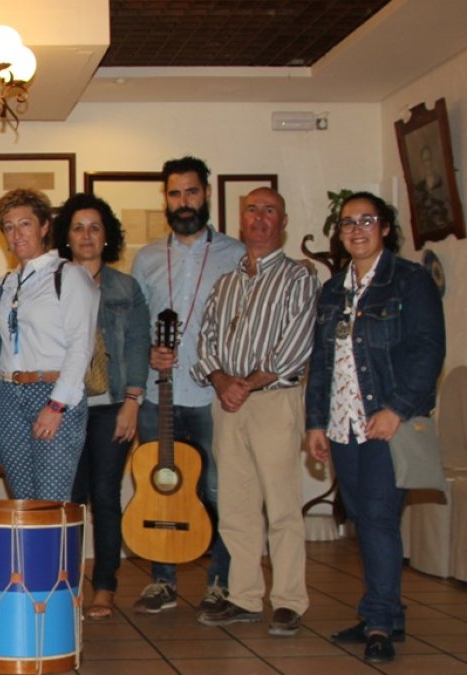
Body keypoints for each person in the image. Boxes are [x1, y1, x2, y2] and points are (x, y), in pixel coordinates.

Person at [305, 192, 445, 664]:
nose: (357, 228)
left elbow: (428, 350)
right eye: (348, 222)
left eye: (367, 220)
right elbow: (322, 362)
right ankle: (383, 612)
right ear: (339, 233)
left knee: (381, 519)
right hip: (343, 425)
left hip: (387, 424)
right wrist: (315, 423)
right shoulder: (332, 290)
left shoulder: (409, 280)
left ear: (385, 226)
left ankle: (380, 622)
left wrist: (397, 409)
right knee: (364, 519)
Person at [189, 188, 318, 635]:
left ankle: (288, 600)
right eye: (252, 210)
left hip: (274, 403)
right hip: (227, 405)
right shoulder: (225, 283)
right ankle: (243, 597)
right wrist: (223, 382)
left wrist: (246, 384)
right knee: (235, 507)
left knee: (281, 506)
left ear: (282, 221)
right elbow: (204, 342)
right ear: (241, 221)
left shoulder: (299, 277)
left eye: (270, 211)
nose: (260, 218)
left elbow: (297, 345)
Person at [130, 156, 243, 615]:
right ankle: (163, 581)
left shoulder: (236, 255)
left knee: (219, 491)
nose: (183, 202)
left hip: (217, 399)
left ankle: (221, 582)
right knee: (161, 486)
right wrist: (147, 355)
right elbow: (135, 327)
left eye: (191, 192)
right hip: (161, 396)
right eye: (175, 194)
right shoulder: (147, 258)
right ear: (165, 199)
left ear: (207, 194)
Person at [53, 193, 150, 621]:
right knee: (69, 501)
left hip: (111, 406)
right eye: (77, 227)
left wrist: (132, 402)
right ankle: (65, 583)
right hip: (65, 406)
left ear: (106, 235)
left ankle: (105, 586)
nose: (86, 235)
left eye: (94, 227)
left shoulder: (125, 288)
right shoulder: (51, 283)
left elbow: (138, 344)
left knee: (106, 497)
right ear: (66, 236)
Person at [0, 189, 99, 501]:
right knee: (24, 502)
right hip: (8, 397)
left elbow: (81, 347)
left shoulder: (69, 276)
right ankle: (27, 554)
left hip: (53, 393)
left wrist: (57, 405)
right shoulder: (6, 283)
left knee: (51, 503)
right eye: (9, 227)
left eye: (24, 224)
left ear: (43, 227)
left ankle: (56, 554)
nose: (17, 233)